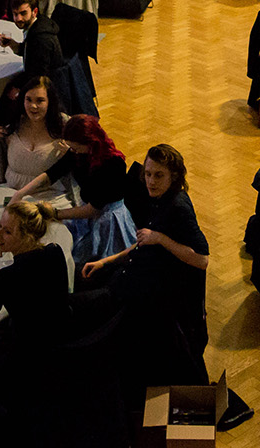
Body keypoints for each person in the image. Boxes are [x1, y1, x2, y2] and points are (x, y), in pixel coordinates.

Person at [83, 144, 211, 381]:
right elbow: (145, 240)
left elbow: (202, 260)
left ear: (174, 176)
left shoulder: (178, 207)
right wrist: (107, 261)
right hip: (139, 275)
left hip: (157, 295)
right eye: (148, 174)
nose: (151, 181)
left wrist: (161, 239)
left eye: (159, 175)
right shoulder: (157, 199)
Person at [15, 115, 136, 268]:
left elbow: (95, 210)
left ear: (91, 143)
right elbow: (53, 173)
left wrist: (56, 213)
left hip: (107, 220)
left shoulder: (113, 164)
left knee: (80, 260)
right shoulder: (79, 153)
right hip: (88, 209)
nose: (73, 151)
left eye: (75, 148)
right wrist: (20, 193)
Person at [0, 199, 71, 340]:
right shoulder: (55, 250)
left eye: (7, 231)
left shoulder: (5, 278)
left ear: (28, 237)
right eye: (0, 226)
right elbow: (32, 283)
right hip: (65, 332)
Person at [0, 74, 67, 190]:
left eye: (40, 101)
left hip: (51, 196)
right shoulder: (14, 123)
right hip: (11, 191)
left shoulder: (65, 125)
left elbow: (86, 161)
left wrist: (72, 155)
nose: (33, 106)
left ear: (50, 102)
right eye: (28, 99)